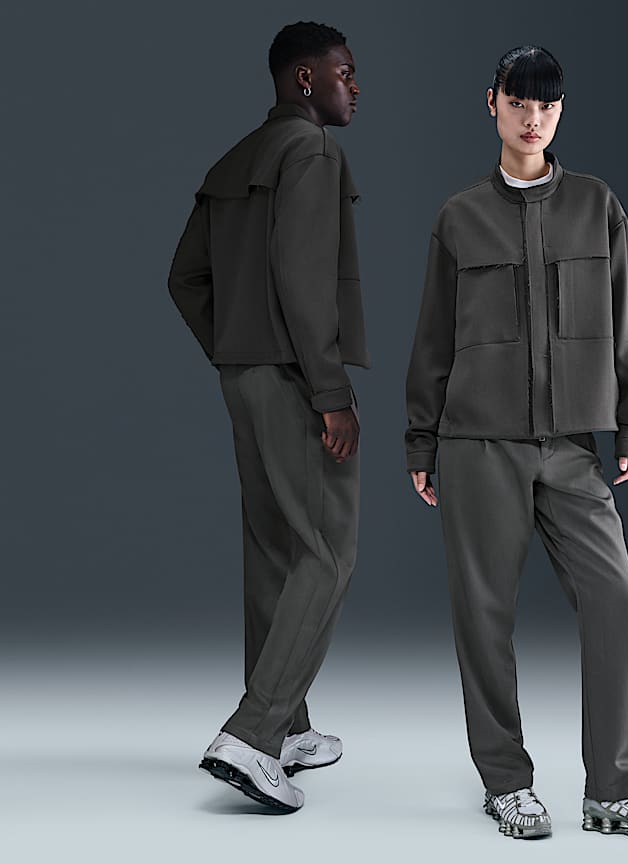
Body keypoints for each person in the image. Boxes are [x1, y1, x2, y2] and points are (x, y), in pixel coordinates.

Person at [404, 45, 628, 844]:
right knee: (484, 616)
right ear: (491, 104)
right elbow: (432, 340)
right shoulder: (460, 216)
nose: (533, 119)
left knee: (614, 596)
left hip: (570, 446)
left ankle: (617, 787)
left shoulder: (598, 206)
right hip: (477, 444)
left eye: (547, 105)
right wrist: (421, 441)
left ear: (560, 111)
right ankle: (506, 783)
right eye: (518, 103)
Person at [167, 20, 368, 813]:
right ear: (305, 79)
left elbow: (185, 277)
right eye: (345, 73)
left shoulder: (236, 159)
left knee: (274, 552)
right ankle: (252, 735)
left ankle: (287, 728)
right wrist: (330, 392)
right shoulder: (311, 151)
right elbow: (304, 280)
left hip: (245, 375)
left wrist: (235, 349)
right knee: (327, 550)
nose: (356, 86)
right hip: (293, 379)